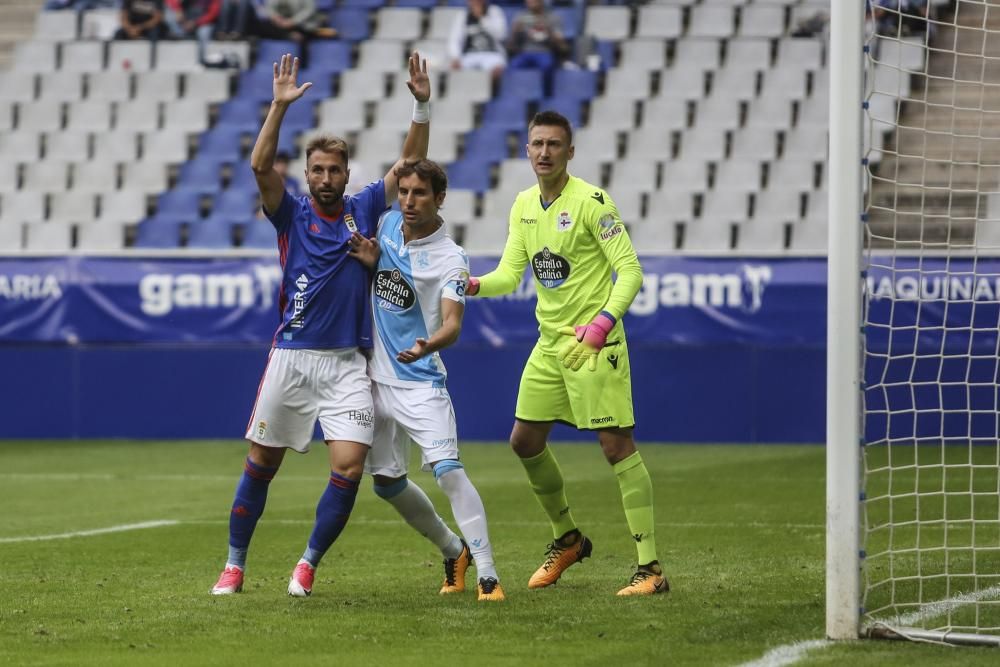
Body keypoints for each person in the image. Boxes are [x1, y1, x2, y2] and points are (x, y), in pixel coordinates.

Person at [211, 51, 431, 597]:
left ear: (346, 173)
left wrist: (421, 106)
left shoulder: (364, 208)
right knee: (261, 463)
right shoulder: (292, 215)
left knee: (350, 468)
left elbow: (410, 165)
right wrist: (278, 108)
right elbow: (261, 166)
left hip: (346, 364)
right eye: (318, 170)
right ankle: (235, 565)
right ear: (307, 175)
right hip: (291, 355)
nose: (327, 177)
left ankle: (307, 564)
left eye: (335, 169)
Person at [464, 110, 667, 596]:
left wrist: (601, 323)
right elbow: (511, 276)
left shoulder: (593, 203)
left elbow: (631, 271)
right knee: (523, 442)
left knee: (616, 447)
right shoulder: (522, 206)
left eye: (554, 144)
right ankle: (568, 538)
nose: (544, 152)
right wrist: (471, 284)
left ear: (570, 152)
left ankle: (651, 568)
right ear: (526, 149)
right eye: (537, 143)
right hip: (550, 346)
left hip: (596, 346)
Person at [346, 159, 505, 603]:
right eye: (405, 192)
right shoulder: (390, 224)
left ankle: (488, 575)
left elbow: (452, 325)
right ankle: (453, 550)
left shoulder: (452, 258)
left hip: (420, 380)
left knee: (449, 473)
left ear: (439, 199)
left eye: (420, 194)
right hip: (374, 380)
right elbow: (385, 270)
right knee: (386, 484)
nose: (409, 201)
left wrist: (426, 345)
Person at [448, 0, 507, 80]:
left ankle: (489, 91)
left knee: (497, 70)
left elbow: (501, 35)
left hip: (491, 55)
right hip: (469, 55)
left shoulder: (494, 11)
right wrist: (455, 57)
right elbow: (454, 40)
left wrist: (482, 18)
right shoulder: (463, 15)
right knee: (454, 68)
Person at [506, 0, 568, 74]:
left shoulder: (552, 17)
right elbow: (511, 44)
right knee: (512, 66)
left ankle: (546, 86)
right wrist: (515, 32)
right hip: (525, 52)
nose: (530, 2)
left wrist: (549, 31)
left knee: (547, 65)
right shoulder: (520, 17)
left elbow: (562, 45)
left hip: (545, 51)